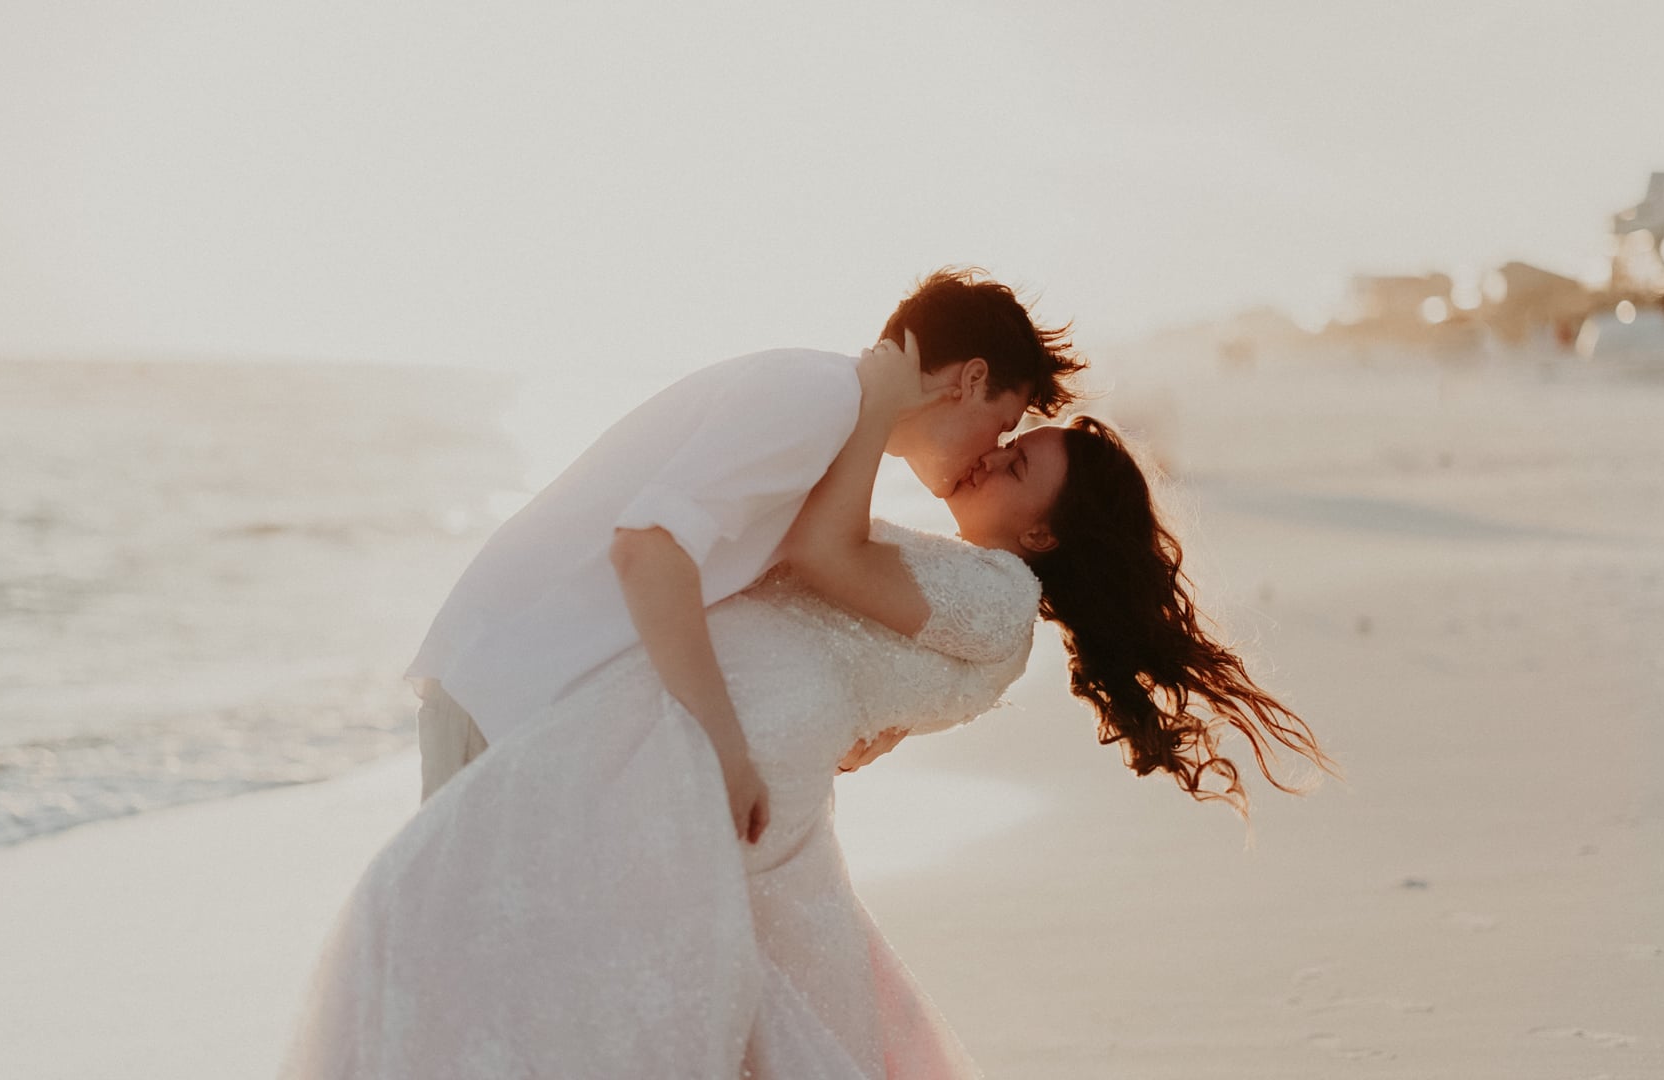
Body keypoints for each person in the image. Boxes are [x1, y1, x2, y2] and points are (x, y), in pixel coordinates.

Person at [278, 338, 1331, 1078]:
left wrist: (874, 410)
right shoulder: (973, 607)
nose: (987, 459)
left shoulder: (998, 597)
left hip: (713, 775)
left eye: (1015, 465)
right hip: (703, 763)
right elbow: (853, 665)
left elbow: (822, 553)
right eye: (1005, 440)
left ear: (1046, 538)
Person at [407, 268, 1084, 849]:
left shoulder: (834, 417)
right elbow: (647, 549)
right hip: (507, 693)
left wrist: (890, 711)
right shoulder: (814, 402)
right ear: (970, 380)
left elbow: (798, 589)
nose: (989, 451)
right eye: (1002, 424)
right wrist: (723, 748)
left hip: (538, 702)